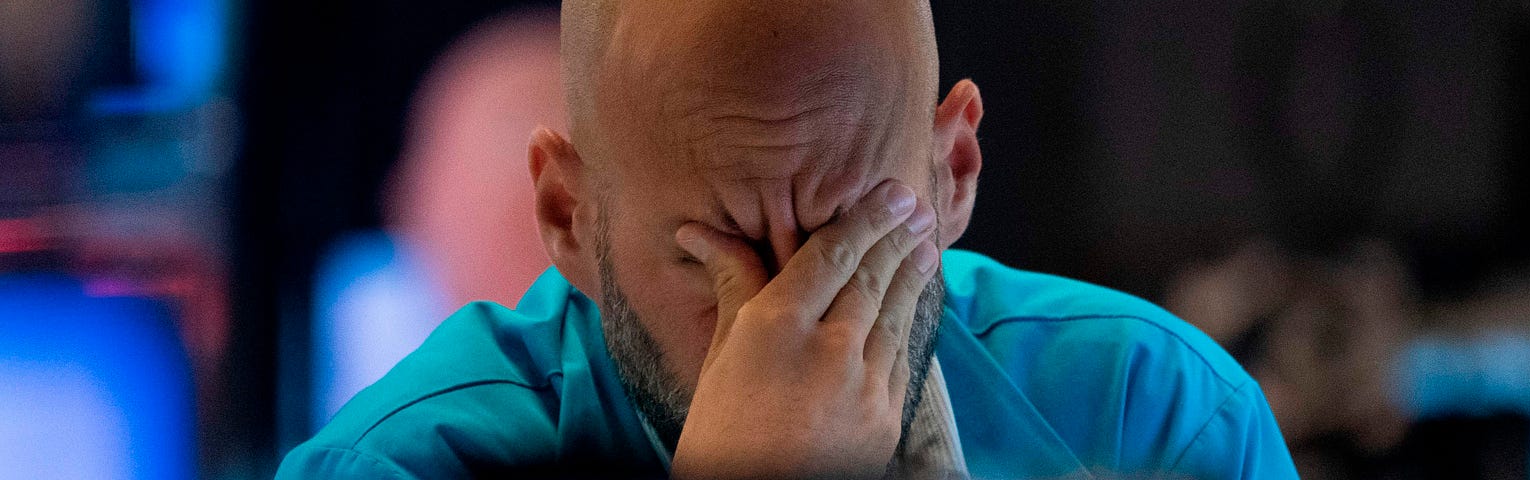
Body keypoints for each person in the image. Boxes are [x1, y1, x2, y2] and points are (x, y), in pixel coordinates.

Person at [277, 1, 1297, 478]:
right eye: (707, 258)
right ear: (569, 218)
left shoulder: (1154, 420)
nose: (785, 325)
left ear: (951, 174)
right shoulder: (400, 470)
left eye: (847, 239)